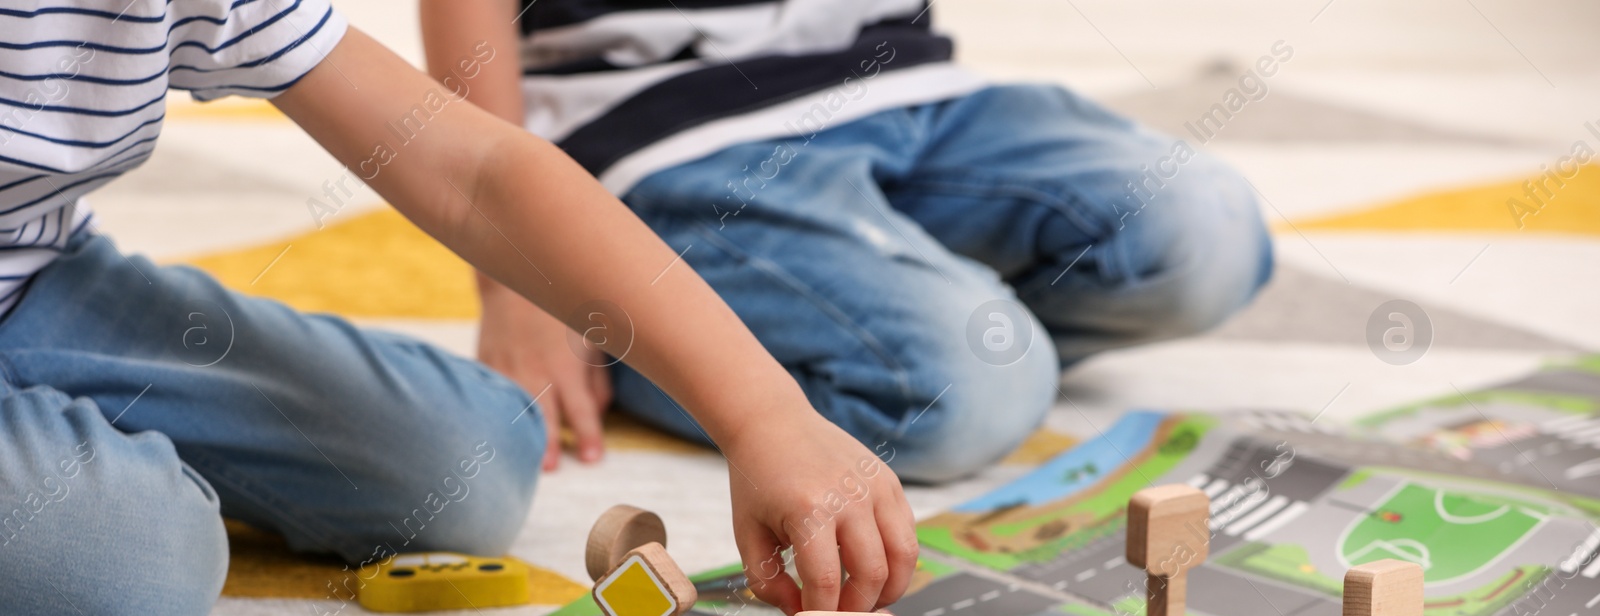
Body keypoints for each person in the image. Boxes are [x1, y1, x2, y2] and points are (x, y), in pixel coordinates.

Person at [0, 1, 916, 616]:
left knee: (471, 452)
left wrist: (760, 414)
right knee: (139, 564)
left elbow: (471, 167)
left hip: (35, 275)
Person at [421, 1, 1273, 484]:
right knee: (964, 398)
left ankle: (887, 305)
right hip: (668, 126)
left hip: (904, 78)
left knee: (1207, 233)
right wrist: (518, 275)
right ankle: (638, 334)